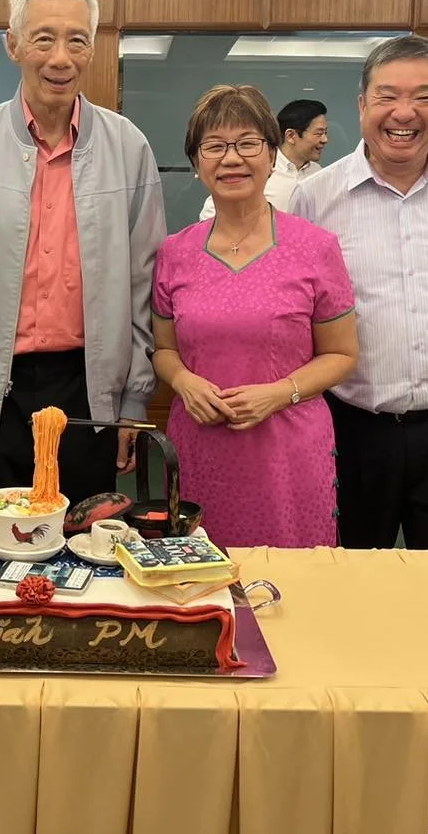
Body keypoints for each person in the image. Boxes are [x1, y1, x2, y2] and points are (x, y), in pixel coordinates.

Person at [0, 0, 166, 507]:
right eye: (43, 38)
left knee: (85, 544)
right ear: (13, 45)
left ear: (92, 48)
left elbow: (146, 283)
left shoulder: (129, 148)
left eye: (77, 40)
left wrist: (134, 399)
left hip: (90, 387)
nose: (61, 57)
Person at [291, 35, 428, 550]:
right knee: (345, 578)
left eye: (424, 97)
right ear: (363, 104)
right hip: (350, 429)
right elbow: (298, 307)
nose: (404, 113)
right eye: (388, 96)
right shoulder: (316, 197)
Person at [152, 85, 358, 548]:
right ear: (196, 161)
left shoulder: (315, 248)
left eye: (247, 143)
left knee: (293, 584)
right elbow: (164, 349)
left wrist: (278, 394)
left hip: (287, 448)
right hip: (200, 443)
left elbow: (343, 355)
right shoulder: (174, 253)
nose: (232, 159)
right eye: (214, 146)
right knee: (196, 576)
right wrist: (184, 382)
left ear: (271, 153)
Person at [199, 97, 328, 220]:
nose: (324, 140)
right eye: (318, 133)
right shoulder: (260, 170)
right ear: (290, 136)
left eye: (325, 133)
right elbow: (213, 213)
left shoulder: (319, 173)